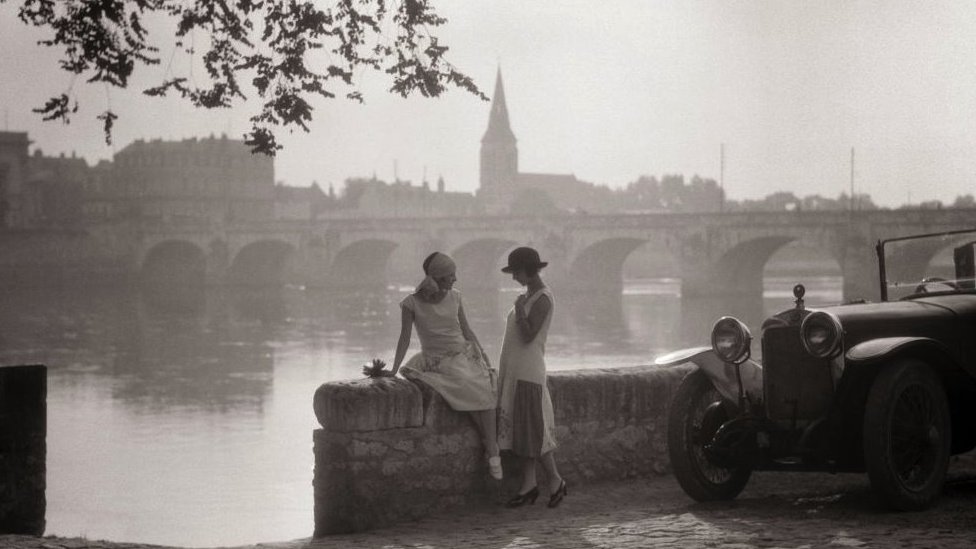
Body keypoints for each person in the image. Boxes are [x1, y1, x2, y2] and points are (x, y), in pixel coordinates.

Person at [386, 251, 502, 480]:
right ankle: (493, 449)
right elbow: (404, 339)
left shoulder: (455, 296)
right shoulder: (411, 303)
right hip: (437, 360)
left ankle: (491, 447)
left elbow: (467, 330)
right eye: (451, 275)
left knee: (485, 386)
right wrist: (392, 369)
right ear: (438, 277)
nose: (455, 279)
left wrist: (483, 355)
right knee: (472, 386)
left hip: (463, 355)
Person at [496, 246, 567, 508]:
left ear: (529, 270)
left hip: (528, 371)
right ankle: (530, 485)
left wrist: (520, 310)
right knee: (522, 430)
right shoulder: (528, 296)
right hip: (516, 370)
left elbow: (528, 336)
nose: (514, 277)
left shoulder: (542, 299)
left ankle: (555, 480)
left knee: (532, 429)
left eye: (516, 272)